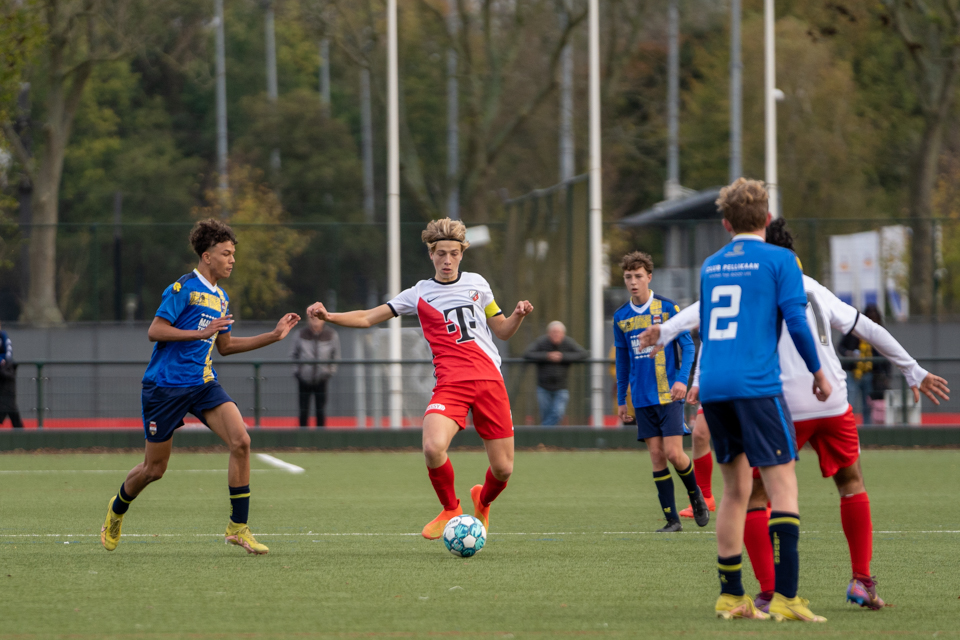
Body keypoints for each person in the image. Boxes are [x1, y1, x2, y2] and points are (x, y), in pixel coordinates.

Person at [642, 217, 950, 612]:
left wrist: (666, 331)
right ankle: (862, 580)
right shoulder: (814, 287)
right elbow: (867, 328)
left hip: (783, 403)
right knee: (851, 482)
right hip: (833, 401)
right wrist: (913, 369)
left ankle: (770, 593)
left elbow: (707, 313)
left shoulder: (754, 278)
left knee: (754, 494)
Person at [667, 179, 833, 622]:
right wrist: (819, 372)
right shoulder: (781, 260)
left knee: (735, 491)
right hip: (758, 388)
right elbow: (796, 321)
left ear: (725, 224)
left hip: (717, 390)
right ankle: (787, 598)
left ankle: (731, 596)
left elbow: (706, 326)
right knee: (782, 487)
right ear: (766, 219)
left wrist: (701, 380)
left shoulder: (711, 265)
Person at [307, 218, 533, 539]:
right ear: (431, 254)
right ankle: (451, 508)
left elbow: (503, 331)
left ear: (462, 254)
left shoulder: (478, 285)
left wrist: (518, 316)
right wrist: (330, 316)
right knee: (432, 446)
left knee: (503, 469)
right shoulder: (419, 293)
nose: (447, 260)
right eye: (441, 253)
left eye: (454, 253)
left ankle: (482, 501)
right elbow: (368, 317)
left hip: (489, 382)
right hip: (451, 384)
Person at [100, 219, 301, 555]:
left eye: (233, 253)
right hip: (164, 387)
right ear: (207, 256)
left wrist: (274, 335)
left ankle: (238, 528)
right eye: (226, 253)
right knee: (154, 469)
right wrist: (198, 333)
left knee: (241, 441)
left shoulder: (221, 297)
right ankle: (117, 509)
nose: (232, 259)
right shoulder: (183, 289)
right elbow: (155, 330)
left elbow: (226, 346)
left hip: (203, 384)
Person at [613, 251, 708, 533]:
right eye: (628, 277)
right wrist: (621, 400)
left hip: (668, 395)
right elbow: (622, 361)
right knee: (656, 456)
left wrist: (682, 380)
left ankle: (696, 496)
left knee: (674, 453)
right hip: (641, 397)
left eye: (638, 276)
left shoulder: (668, 308)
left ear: (649, 277)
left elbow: (688, 347)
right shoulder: (621, 317)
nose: (633, 282)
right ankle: (672, 520)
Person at [522, 321, 588, 425]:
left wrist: (563, 357)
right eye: (553, 332)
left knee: (558, 413)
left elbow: (583, 354)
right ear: (548, 333)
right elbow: (527, 354)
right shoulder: (542, 342)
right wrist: (547, 356)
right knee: (545, 414)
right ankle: (546, 438)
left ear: (563, 334)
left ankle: (542, 432)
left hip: (561, 387)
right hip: (543, 386)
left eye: (558, 332)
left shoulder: (568, 343)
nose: (556, 334)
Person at [839, 304, 889, 425]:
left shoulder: (878, 332)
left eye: (874, 318)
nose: (872, 320)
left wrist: (885, 374)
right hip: (853, 373)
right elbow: (841, 347)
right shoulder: (853, 330)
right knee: (850, 403)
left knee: (868, 405)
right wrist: (848, 353)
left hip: (869, 374)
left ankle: (868, 430)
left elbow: (885, 354)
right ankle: (847, 427)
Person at [291, 313, 340, 427]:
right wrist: (298, 372)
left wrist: (329, 372)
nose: (315, 321)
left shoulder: (331, 334)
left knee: (321, 410)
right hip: (303, 379)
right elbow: (293, 354)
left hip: (322, 379)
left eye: (317, 318)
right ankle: (303, 438)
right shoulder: (300, 334)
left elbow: (335, 355)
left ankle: (321, 439)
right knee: (303, 410)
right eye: (312, 318)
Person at [0, 322, 24, 429]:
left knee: (10, 406)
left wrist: (3, 361)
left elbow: (8, 354)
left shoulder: (3, 336)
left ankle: (21, 437)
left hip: (6, 376)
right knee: (11, 408)